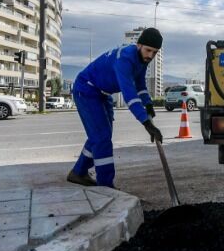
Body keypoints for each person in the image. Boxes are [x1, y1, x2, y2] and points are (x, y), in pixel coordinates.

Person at [68, 28, 165, 188]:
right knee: (101, 137)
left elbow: (140, 86)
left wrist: (148, 105)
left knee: (101, 136)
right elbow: (130, 95)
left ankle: (78, 172)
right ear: (139, 45)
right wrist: (146, 124)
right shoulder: (125, 59)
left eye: (155, 53)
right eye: (148, 50)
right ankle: (106, 185)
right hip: (86, 90)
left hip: (102, 94)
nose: (150, 56)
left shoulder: (143, 61)